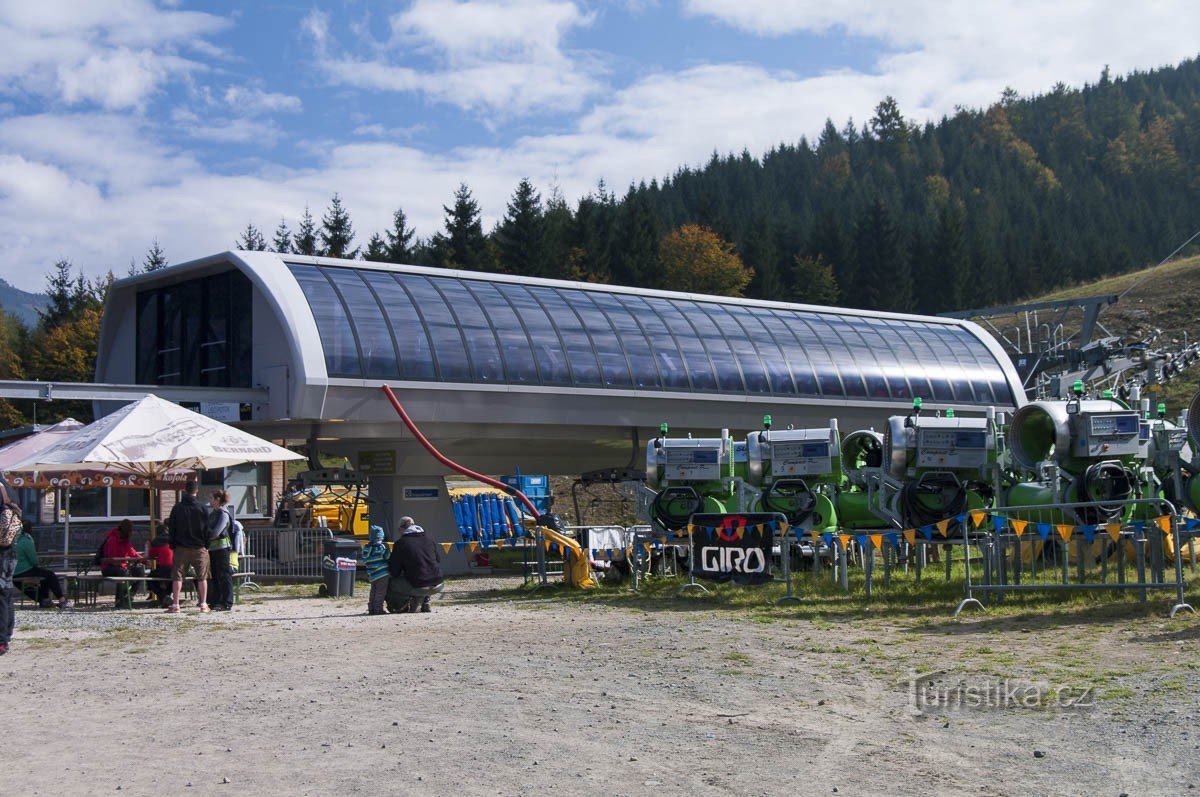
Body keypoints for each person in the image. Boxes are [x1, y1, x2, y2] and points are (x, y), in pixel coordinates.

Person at [166, 479, 211, 614]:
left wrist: (172, 544)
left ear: (185, 490)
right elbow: (207, 530)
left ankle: (175, 604)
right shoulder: (202, 508)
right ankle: (203, 604)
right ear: (196, 491)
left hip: (181, 547)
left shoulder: (177, 508)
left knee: (177, 576)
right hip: (199, 547)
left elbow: (172, 528)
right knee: (202, 576)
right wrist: (206, 545)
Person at [385, 516, 444, 614]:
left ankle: (401, 606)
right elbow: (438, 560)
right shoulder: (429, 540)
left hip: (419, 584)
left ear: (401, 529)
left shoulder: (401, 543)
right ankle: (425, 602)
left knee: (391, 583)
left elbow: (394, 570)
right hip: (438, 582)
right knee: (423, 574)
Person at [13, 521, 70, 609]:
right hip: (24, 570)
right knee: (50, 575)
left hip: (13, 572)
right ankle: (62, 599)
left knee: (43, 577)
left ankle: (45, 600)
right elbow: (33, 560)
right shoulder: (26, 540)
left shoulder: (13, 540)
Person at [100, 519, 147, 609]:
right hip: (108, 567)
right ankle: (119, 600)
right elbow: (112, 557)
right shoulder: (112, 539)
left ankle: (129, 595)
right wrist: (126, 560)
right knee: (122, 573)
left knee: (140, 571)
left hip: (121, 566)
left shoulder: (126, 540)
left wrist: (143, 560)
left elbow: (132, 553)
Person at [206, 490, 235, 612]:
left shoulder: (223, 514)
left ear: (218, 499)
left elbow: (216, 532)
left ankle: (226, 602)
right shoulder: (213, 513)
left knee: (224, 575)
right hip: (213, 549)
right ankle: (215, 601)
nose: (210, 500)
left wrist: (206, 534)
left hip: (222, 549)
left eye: (211, 498)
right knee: (215, 576)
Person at [361, 525, 390, 615]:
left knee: (373, 591)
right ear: (381, 536)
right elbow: (388, 557)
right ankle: (378, 609)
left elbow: (364, 558)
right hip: (382, 573)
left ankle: (371, 608)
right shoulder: (382, 547)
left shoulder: (366, 548)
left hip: (372, 573)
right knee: (380, 592)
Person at [146, 528, 174, 608]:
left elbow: (151, 555)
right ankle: (167, 595)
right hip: (175, 568)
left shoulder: (157, 542)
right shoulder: (173, 541)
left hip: (163, 568)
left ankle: (163, 596)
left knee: (150, 579)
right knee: (173, 580)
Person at [0, 529, 14, 655]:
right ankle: (5, 638)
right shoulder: (14, 513)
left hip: (3, 556)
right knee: (7, 598)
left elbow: (4, 538)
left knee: (2, 600)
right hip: (10, 555)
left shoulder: (5, 512)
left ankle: (2, 641)